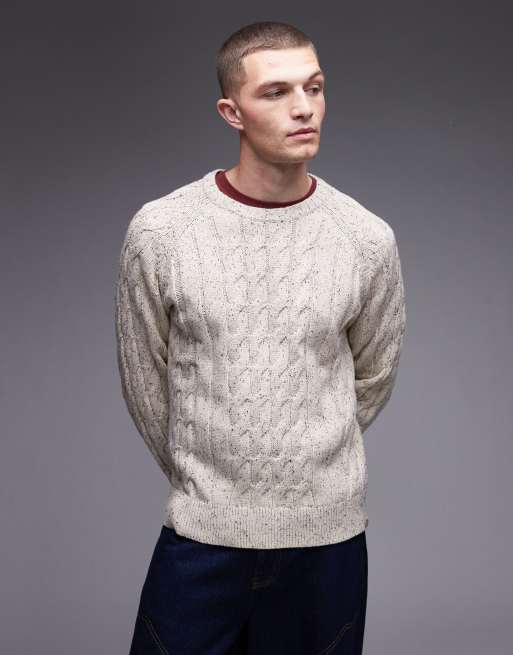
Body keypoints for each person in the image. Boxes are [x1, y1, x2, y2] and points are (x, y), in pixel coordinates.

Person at [115, 20, 406, 655]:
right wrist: (212, 481)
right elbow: (145, 379)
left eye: (314, 87)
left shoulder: (365, 238)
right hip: (202, 541)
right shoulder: (162, 232)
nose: (304, 108)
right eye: (276, 92)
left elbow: (374, 373)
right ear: (232, 112)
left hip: (326, 546)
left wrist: (304, 457)